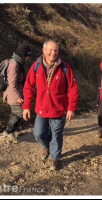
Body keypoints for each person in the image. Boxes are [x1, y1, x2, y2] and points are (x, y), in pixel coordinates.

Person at [22, 40, 79, 171]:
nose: (53, 53)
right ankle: (46, 147)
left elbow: (72, 88)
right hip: (41, 109)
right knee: (38, 133)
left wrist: (71, 108)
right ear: (44, 51)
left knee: (56, 135)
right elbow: (28, 87)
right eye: (51, 50)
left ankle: (55, 158)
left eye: (56, 51)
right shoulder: (36, 66)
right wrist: (26, 106)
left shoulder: (64, 67)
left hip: (58, 110)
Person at [0, 44, 32, 144]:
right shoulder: (14, 65)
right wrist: (18, 97)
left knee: (16, 112)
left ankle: (10, 132)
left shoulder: (18, 63)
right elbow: (12, 82)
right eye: (27, 55)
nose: (28, 58)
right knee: (19, 112)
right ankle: (8, 131)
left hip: (17, 91)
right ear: (22, 55)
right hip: (13, 92)